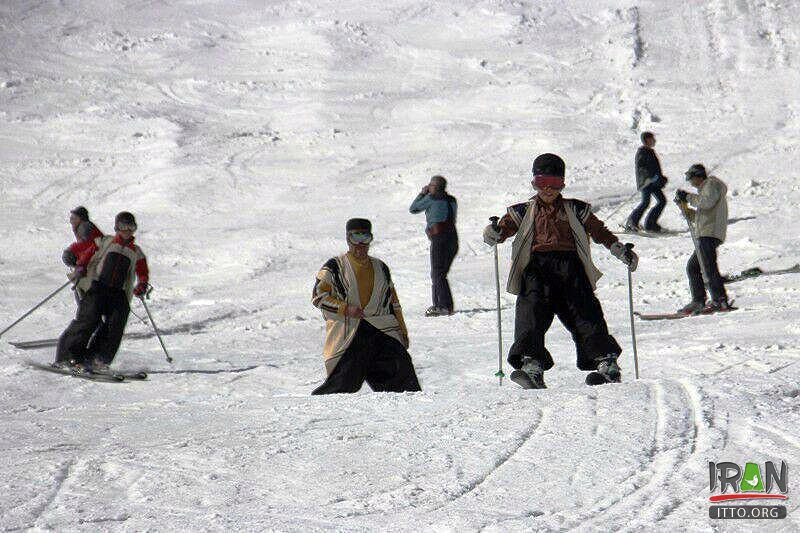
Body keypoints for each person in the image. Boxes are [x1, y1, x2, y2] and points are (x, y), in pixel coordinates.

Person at [483, 153, 638, 388]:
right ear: (534, 183)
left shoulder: (575, 209)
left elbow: (599, 231)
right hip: (536, 267)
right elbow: (503, 230)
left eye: (554, 184)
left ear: (562, 184)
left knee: (584, 311)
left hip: (569, 267)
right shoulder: (523, 211)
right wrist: (493, 233)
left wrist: (617, 248)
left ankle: (606, 363)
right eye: (542, 183)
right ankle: (532, 364)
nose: (548, 189)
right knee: (531, 310)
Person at [311, 218, 421, 394]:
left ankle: (409, 406)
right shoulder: (335, 267)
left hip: (381, 327)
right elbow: (318, 297)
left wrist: (403, 331)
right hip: (351, 330)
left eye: (365, 238)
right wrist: (345, 308)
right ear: (348, 239)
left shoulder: (380, 267)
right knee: (344, 382)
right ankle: (323, 407)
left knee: (401, 370)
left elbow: (393, 302)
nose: (360, 245)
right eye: (356, 238)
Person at [54, 212, 150, 372]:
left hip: (118, 292)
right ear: (116, 228)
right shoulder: (106, 242)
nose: (126, 231)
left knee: (116, 324)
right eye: (122, 227)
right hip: (99, 287)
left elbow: (142, 271)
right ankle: (67, 357)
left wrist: (142, 285)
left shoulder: (136, 252)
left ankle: (97, 359)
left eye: (130, 227)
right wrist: (81, 266)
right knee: (88, 319)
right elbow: (89, 252)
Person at [675, 164, 731, 314]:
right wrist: (685, 208)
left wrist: (687, 197)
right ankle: (699, 300)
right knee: (694, 267)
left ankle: (719, 300)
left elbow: (706, 203)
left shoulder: (711, 185)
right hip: (706, 232)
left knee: (707, 267)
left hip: (709, 233)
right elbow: (700, 215)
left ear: (698, 176)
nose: (691, 183)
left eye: (691, 178)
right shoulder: (705, 191)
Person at [409, 175, 459, 316]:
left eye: (430, 185)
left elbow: (413, 208)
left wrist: (422, 193)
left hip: (439, 238)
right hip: (453, 238)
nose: (428, 186)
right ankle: (443, 305)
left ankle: (442, 306)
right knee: (440, 273)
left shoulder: (431, 199)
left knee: (437, 273)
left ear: (435, 187)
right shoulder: (452, 200)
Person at [626, 132, 668, 232]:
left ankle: (650, 224)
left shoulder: (650, 152)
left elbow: (655, 168)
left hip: (654, 182)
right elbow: (641, 167)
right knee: (646, 202)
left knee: (662, 201)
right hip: (646, 182)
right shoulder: (642, 152)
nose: (654, 140)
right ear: (647, 140)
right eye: (652, 139)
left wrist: (660, 178)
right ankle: (632, 222)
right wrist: (648, 177)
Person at [62, 206, 104, 300]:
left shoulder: (84, 227)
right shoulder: (82, 227)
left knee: (83, 288)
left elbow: (90, 246)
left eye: (73, 218)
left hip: (96, 263)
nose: (71, 221)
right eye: (70, 218)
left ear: (80, 218)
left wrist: (79, 261)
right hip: (93, 262)